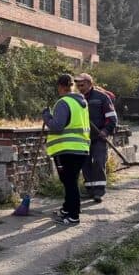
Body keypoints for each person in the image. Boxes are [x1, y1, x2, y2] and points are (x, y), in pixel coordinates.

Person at [42, 74, 90, 226]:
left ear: (61, 86)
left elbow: (57, 126)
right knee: (70, 181)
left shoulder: (63, 103)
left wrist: (46, 117)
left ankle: (73, 216)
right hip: (80, 148)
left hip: (67, 150)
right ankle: (67, 209)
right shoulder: (81, 102)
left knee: (70, 183)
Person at [74, 72, 118, 203]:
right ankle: (90, 190)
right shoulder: (77, 99)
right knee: (85, 164)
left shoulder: (102, 97)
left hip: (99, 137)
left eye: (82, 85)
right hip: (83, 138)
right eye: (78, 85)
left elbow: (112, 118)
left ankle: (99, 191)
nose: (80, 88)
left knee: (99, 163)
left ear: (89, 84)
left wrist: (106, 131)